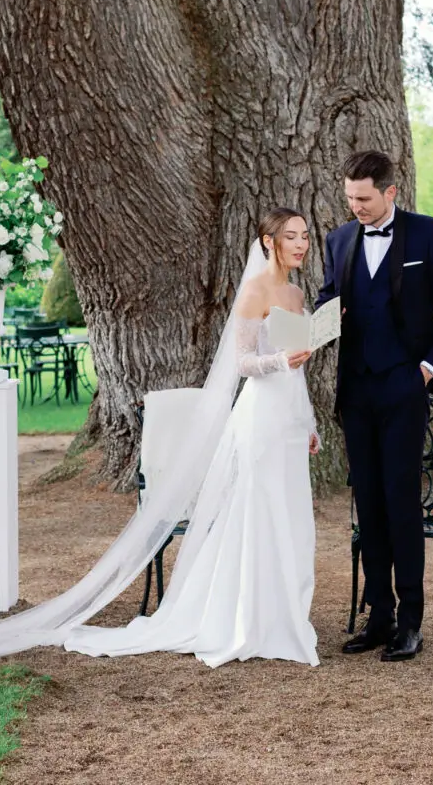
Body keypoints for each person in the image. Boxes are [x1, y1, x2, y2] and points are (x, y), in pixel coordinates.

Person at [64, 207, 321, 667]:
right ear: (268, 241)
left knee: (291, 515)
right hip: (260, 416)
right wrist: (281, 362)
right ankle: (243, 618)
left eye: (304, 235)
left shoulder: (298, 294)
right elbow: (242, 362)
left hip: (288, 419)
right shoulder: (254, 291)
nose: (301, 244)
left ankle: (283, 615)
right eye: (291, 236)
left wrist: (309, 424)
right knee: (256, 511)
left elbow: (298, 369)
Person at [317, 151, 433, 661]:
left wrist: (426, 370)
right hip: (356, 392)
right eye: (349, 199)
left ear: (391, 192)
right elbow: (328, 304)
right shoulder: (338, 240)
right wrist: (317, 318)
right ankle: (377, 617)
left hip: (405, 389)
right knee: (370, 506)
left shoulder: (427, 234)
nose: (355, 207)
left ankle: (411, 622)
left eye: (363, 198)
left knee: (402, 504)